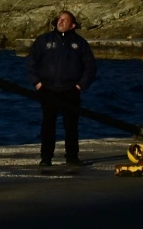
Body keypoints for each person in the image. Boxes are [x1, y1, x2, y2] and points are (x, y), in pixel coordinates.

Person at [26, 10, 97, 166]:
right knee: (48, 125)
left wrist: (80, 85)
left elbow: (90, 67)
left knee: (71, 126)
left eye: (65, 19)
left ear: (72, 25)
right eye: (60, 19)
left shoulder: (80, 43)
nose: (61, 21)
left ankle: (72, 157)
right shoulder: (43, 40)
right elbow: (31, 62)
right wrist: (37, 83)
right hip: (48, 89)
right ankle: (46, 158)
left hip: (71, 90)